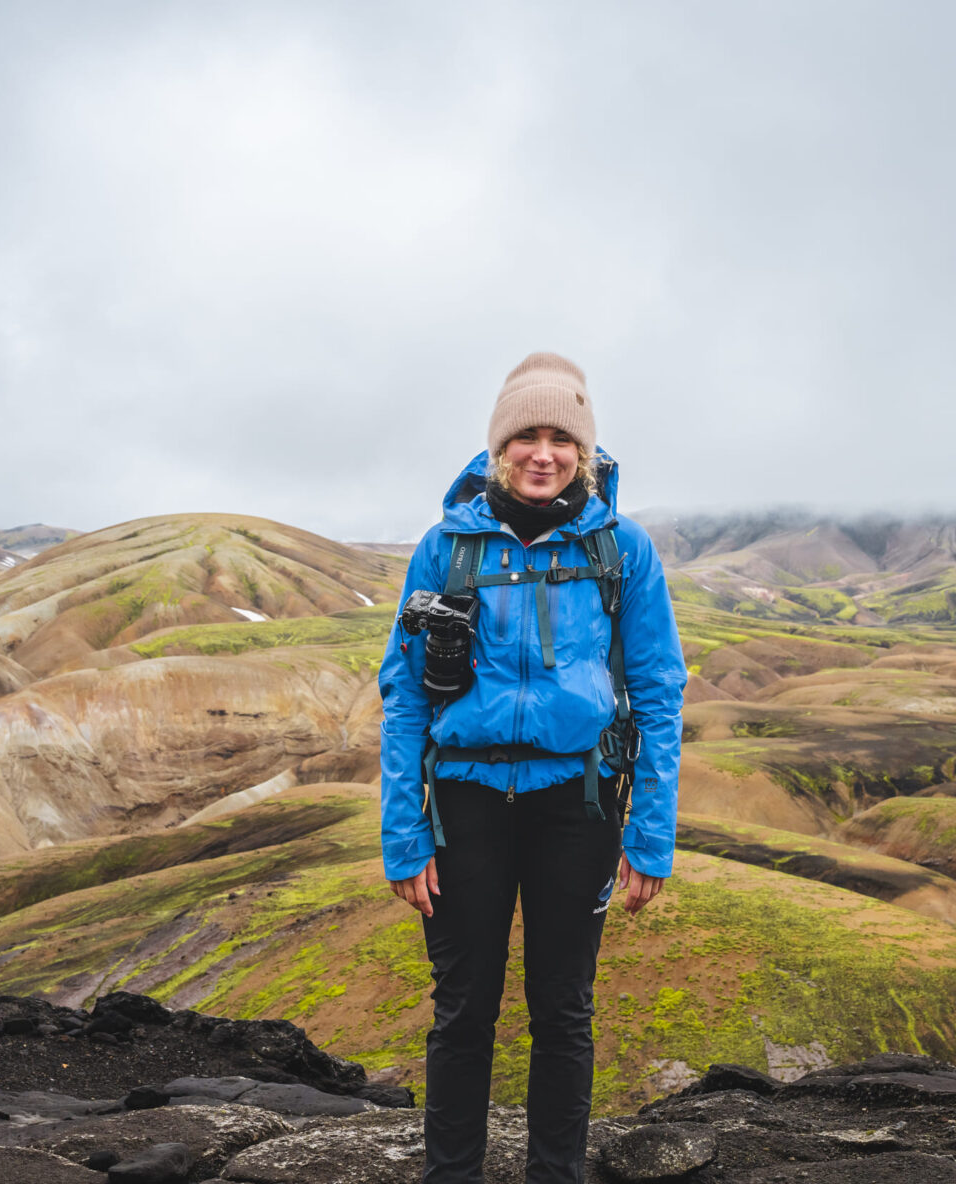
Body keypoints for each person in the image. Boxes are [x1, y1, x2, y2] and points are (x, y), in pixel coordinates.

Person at [378, 352, 686, 1184]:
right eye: (525, 436)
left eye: (562, 438)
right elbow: (404, 696)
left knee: (563, 1012)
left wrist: (650, 836)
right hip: (463, 805)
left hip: (576, 807)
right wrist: (402, 837)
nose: (542, 453)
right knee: (462, 1013)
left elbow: (660, 690)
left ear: (584, 452)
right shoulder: (445, 548)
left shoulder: (625, 551)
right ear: (496, 448)